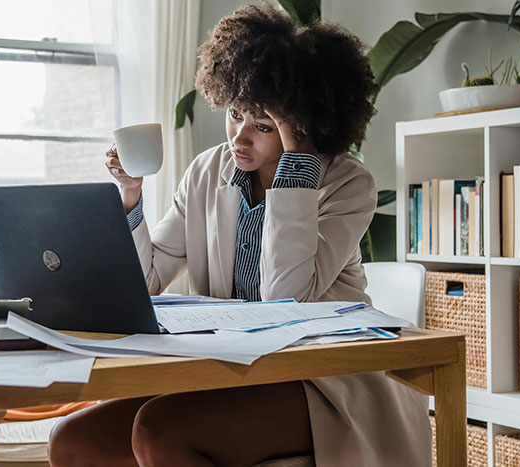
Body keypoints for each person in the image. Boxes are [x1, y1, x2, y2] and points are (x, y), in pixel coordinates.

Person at [48, 3, 430, 466]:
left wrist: (297, 173)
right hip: (228, 371)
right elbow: (146, 281)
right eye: (234, 114)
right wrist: (129, 199)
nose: (239, 138)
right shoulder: (208, 170)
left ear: (303, 128)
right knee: (72, 440)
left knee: (160, 432)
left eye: (263, 125)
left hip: (322, 381)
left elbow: (285, 300)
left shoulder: (347, 183)